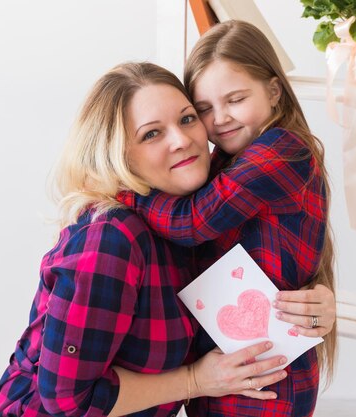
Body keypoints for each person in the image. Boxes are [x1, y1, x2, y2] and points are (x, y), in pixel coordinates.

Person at [0, 62, 335, 417]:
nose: (182, 141)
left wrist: (315, 306)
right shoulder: (111, 238)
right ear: (117, 153)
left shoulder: (188, 216)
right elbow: (67, 402)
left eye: (187, 119)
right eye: (152, 134)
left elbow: (270, 260)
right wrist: (195, 381)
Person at [117, 20, 336, 417]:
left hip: (269, 372)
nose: (219, 119)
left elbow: (192, 222)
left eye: (235, 99)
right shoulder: (222, 160)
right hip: (229, 361)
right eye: (203, 109)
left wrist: (124, 189)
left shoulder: (281, 150)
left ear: (273, 90)